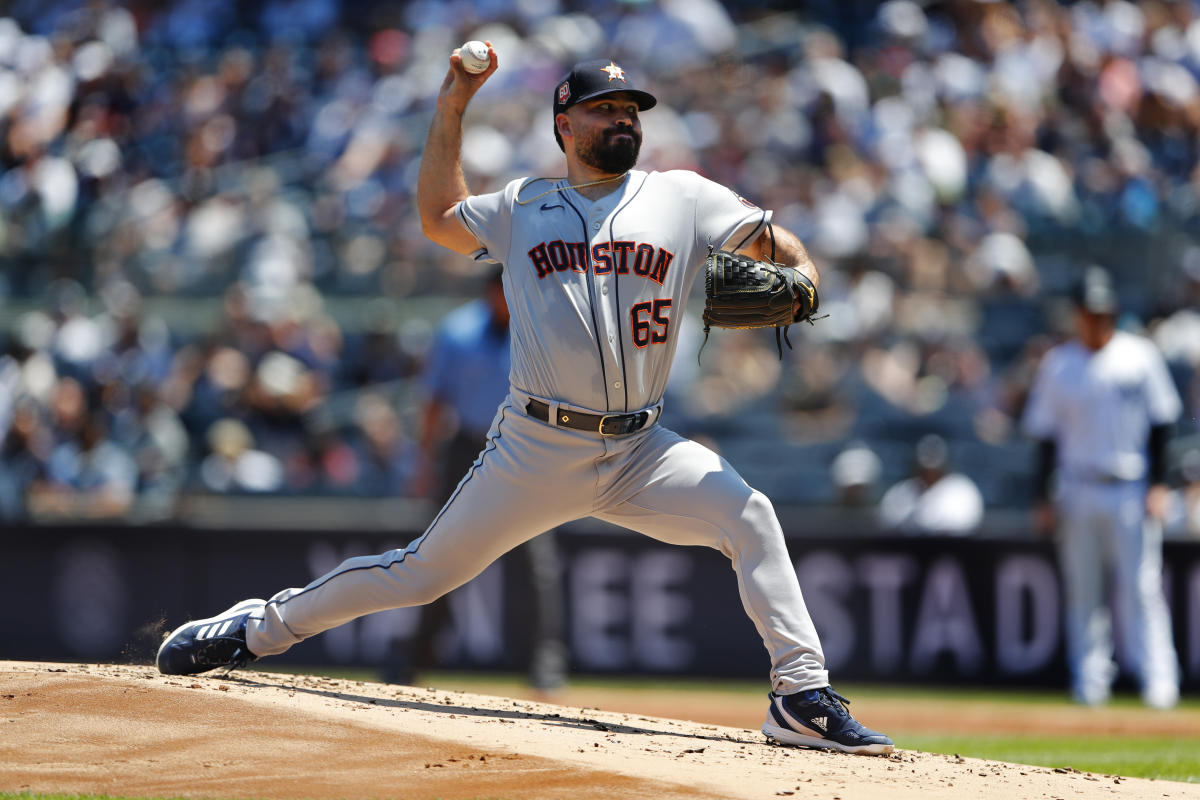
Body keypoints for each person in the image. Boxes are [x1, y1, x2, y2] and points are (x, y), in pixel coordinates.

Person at [156, 47, 894, 756]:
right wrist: (453, 106)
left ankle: (800, 695)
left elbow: (773, 241)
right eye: (605, 109)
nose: (624, 119)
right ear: (565, 125)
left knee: (749, 515)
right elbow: (438, 218)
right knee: (419, 574)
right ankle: (260, 628)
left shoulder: (683, 196)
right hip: (537, 445)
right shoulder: (522, 205)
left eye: (631, 108)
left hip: (641, 447)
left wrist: (803, 273)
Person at [395, 267, 567, 692]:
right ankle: (414, 657)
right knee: (440, 554)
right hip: (467, 448)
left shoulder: (542, 330)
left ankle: (544, 663)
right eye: (507, 290)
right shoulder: (458, 331)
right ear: (493, 291)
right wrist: (424, 464)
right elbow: (434, 403)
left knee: (535, 563)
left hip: (526, 452)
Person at [1021, 266, 1182, 709]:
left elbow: (1162, 423)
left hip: (1131, 486)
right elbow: (1046, 437)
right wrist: (1042, 495)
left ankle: (1159, 683)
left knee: (1141, 589)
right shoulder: (1059, 363)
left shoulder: (1139, 355)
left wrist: (1161, 484)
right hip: (1077, 486)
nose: (1096, 318)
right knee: (1083, 590)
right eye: (1089, 311)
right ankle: (1090, 684)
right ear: (1077, 314)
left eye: (1102, 310)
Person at [877, 433, 984, 535]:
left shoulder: (962, 490)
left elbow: (965, 529)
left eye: (934, 471)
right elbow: (888, 524)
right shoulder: (902, 491)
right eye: (924, 471)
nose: (929, 474)